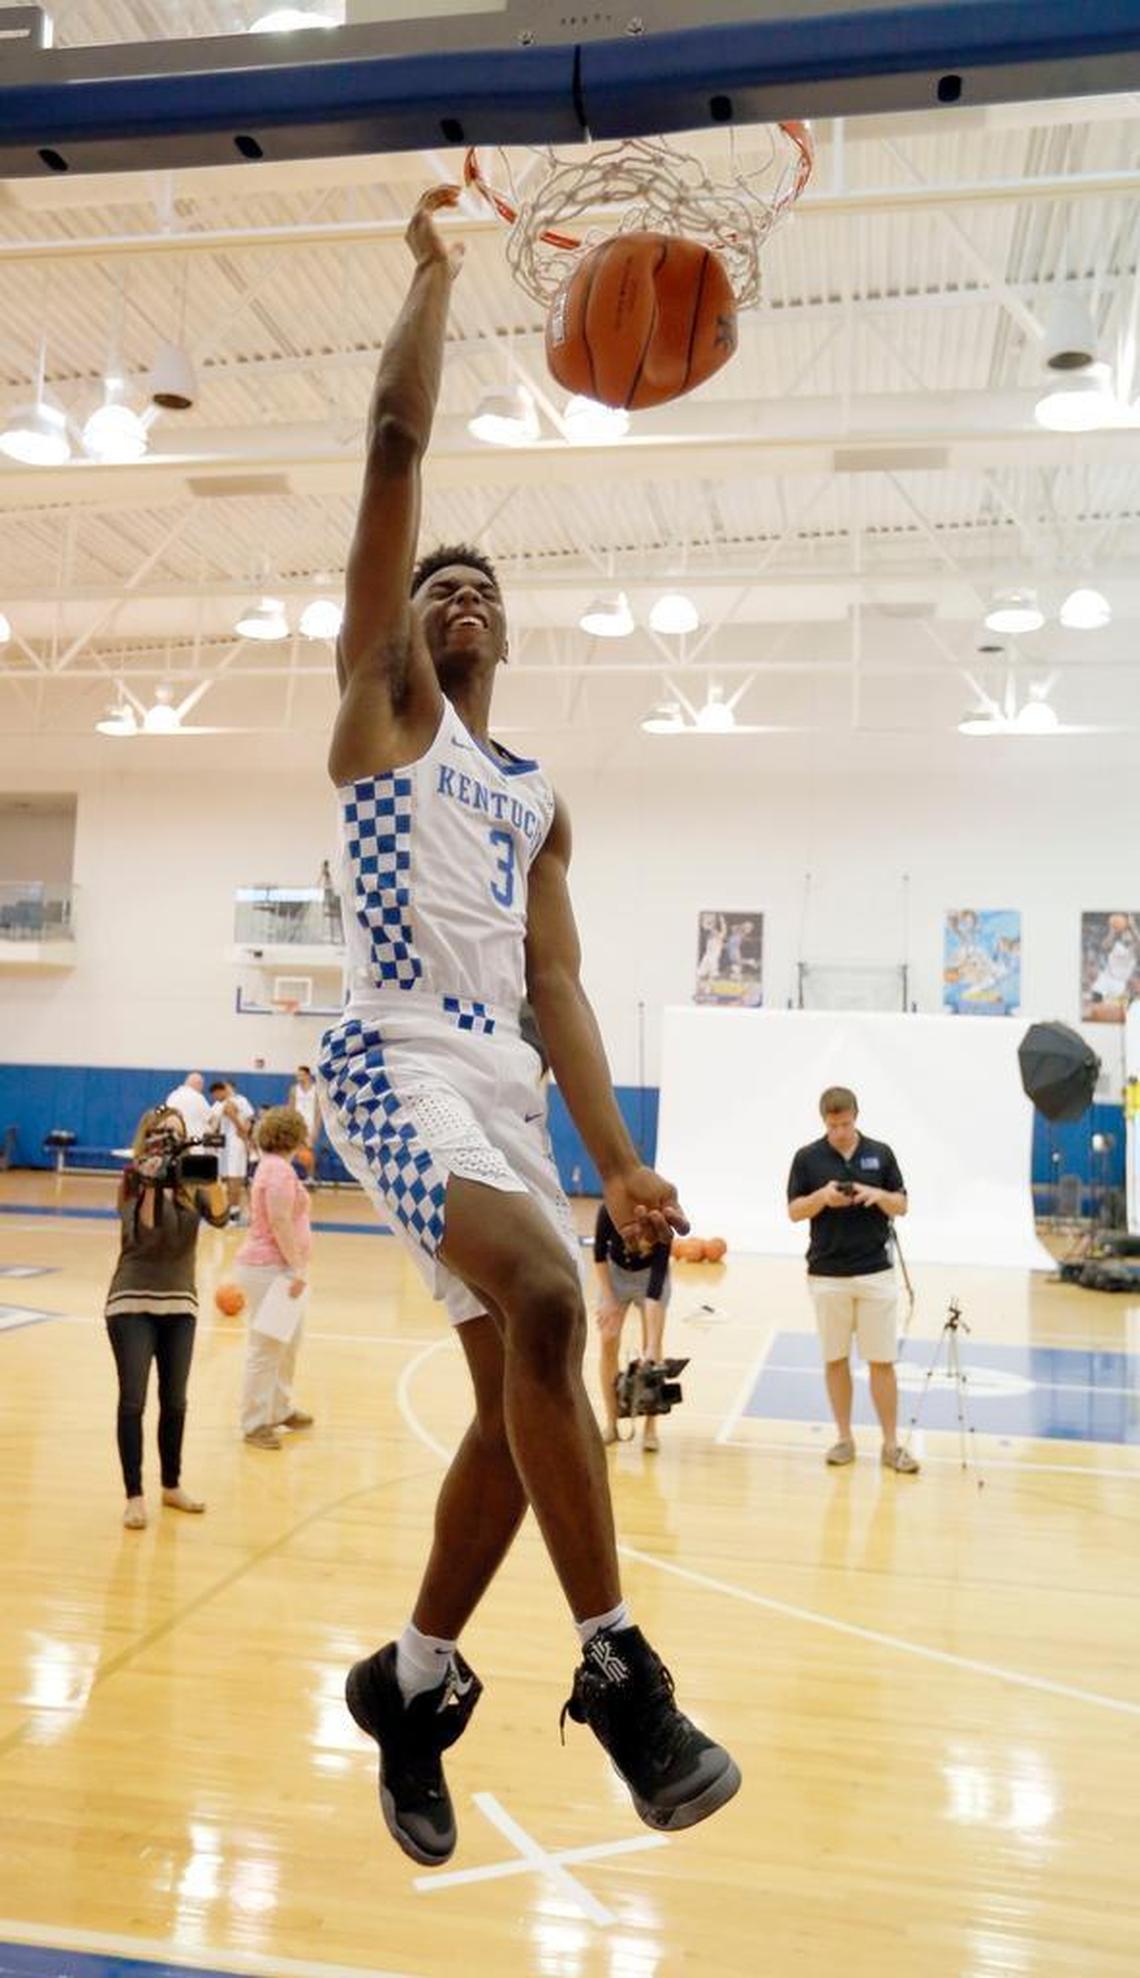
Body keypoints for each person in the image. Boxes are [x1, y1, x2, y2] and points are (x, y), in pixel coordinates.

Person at [315, 183, 739, 1868]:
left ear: (511, 628)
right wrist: (429, 272)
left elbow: (560, 985)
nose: (461, 594)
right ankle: (621, 1671)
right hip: (384, 1054)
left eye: (485, 586)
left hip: (499, 1079)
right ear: (408, 628)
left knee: (523, 1392)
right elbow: (398, 436)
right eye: (440, 585)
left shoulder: (536, 796)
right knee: (552, 1297)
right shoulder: (381, 705)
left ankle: (411, 1678)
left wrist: (622, 1156)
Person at [104, 1105, 228, 1528]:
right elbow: (147, 1232)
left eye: (177, 1135)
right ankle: (134, 1496)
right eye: (162, 1136)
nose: (170, 1143)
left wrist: (212, 1177)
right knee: (133, 1400)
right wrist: (153, 1178)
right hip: (131, 1301)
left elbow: (222, 1218)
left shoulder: (191, 1178)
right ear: (149, 1138)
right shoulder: (132, 1180)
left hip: (181, 1304)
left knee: (175, 1402)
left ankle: (171, 1485)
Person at [787, 1085, 918, 1474]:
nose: (840, 1131)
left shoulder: (881, 1153)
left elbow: (902, 1205)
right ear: (823, 1121)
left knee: (882, 1360)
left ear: (856, 1116)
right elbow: (794, 1211)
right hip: (827, 1273)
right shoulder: (808, 1158)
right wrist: (823, 1198)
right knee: (835, 1358)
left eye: (845, 1124)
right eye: (833, 1125)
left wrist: (873, 1193)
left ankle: (891, 1444)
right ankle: (844, 1438)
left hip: (876, 1270)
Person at [233, 1107, 314, 1450]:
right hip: (271, 1267)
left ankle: (279, 1409)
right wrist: (296, 1268)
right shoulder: (278, 1171)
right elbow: (279, 1221)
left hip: (275, 1267)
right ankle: (254, 1424)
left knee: (287, 1342)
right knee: (267, 1347)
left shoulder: (274, 1166)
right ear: (293, 1136)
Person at [593, 1203, 672, 1452]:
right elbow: (597, 1255)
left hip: (650, 1278)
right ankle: (611, 1424)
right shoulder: (609, 1210)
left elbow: (655, 1291)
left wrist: (649, 1348)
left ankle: (650, 1429)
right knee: (608, 1338)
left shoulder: (662, 1221)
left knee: (653, 1349)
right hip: (615, 1275)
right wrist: (608, 1300)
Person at [206, 1078, 254, 1222]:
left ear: (224, 1090)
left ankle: (234, 1211)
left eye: (216, 1095)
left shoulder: (240, 1101)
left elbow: (249, 1119)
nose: (215, 1098)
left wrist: (244, 1132)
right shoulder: (219, 1104)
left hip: (236, 1144)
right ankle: (229, 1209)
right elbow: (212, 1121)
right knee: (225, 1177)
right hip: (224, 1145)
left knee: (235, 1177)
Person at [288, 1063, 322, 1183]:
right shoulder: (294, 1089)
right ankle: (288, 1177)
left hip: (310, 1124)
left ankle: (310, 1177)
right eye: (297, 1075)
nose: (299, 1077)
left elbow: (318, 1111)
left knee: (309, 1151)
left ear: (308, 1075)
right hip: (297, 1123)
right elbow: (290, 1108)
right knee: (292, 1150)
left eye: (301, 1075)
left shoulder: (316, 1089)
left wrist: (316, 1129)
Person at [164, 1071, 213, 1141]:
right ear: (199, 1084)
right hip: (194, 1141)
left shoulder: (172, 1096)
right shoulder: (198, 1097)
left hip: (176, 1140)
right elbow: (210, 1118)